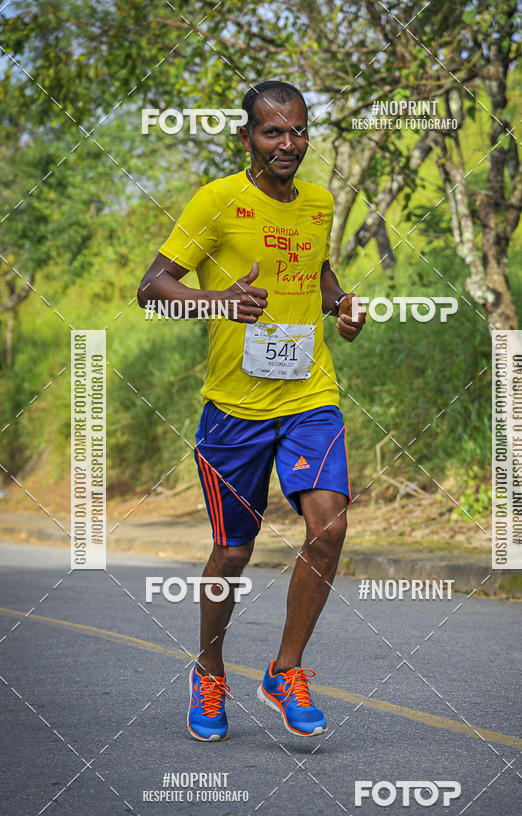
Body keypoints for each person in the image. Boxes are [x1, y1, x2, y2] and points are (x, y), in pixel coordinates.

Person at [138, 80, 366, 741]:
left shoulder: (319, 203)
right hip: (234, 409)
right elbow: (151, 289)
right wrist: (215, 302)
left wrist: (342, 306)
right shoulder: (216, 201)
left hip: (308, 396)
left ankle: (286, 670)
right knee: (234, 551)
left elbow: (316, 276)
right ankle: (209, 674)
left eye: (297, 131)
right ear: (247, 138)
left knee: (329, 530)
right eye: (273, 132)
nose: (288, 143)